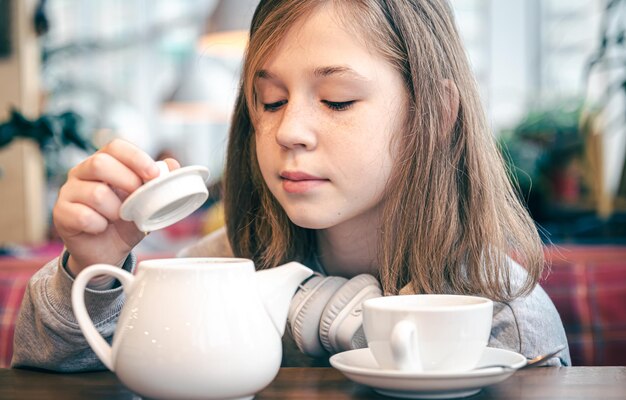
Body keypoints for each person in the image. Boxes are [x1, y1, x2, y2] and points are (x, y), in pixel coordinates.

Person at [12, 0, 570, 371]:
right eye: (270, 100)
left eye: (337, 100)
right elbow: (52, 369)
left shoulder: (502, 320)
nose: (289, 130)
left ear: (437, 112)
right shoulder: (222, 269)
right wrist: (89, 269)